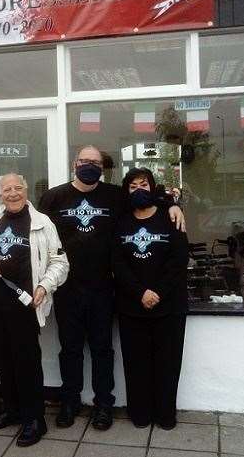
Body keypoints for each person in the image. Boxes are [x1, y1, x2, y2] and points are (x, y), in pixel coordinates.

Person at [38, 145, 185, 430]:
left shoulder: (115, 195)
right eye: (84, 161)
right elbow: (37, 230)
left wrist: (173, 205)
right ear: (74, 164)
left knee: (103, 349)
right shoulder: (54, 197)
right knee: (69, 349)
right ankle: (70, 402)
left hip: (104, 287)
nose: (89, 165)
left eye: (95, 162)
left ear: (102, 168)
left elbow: (145, 199)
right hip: (66, 287)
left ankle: (103, 404)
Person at [0, 173, 69, 447]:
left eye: (17, 188)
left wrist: (45, 287)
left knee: (27, 363)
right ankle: (12, 411)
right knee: (4, 361)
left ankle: (35, 418)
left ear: (26, 191)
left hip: (25, 306)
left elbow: (60, 263)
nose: (12, 194)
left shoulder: (41, 222)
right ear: (0, 195)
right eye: (6, 190)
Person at [112, 167, 189, 430]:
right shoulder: (120, 221)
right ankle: (140, 414)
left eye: (144, 184)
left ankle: (166, 415)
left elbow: (179, 260)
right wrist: (140, 292)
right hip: (131, 306)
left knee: (168, 364)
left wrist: (158, 292)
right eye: (133, 186)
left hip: (169, 307)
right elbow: (117, 263)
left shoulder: (171, 218)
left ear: (152, 187)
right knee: (136, 365)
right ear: (126, 191)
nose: (139, 190)